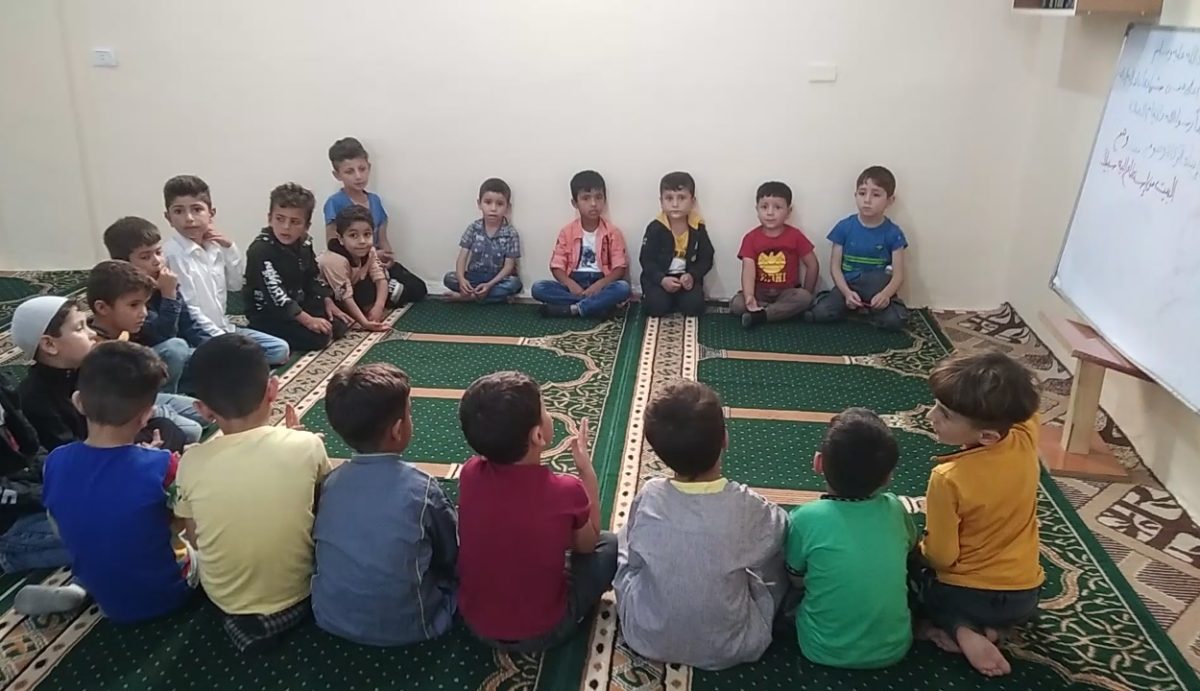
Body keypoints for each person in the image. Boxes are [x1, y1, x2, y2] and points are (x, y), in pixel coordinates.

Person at [13, 341, 199, 621]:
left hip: (109, 601)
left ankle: (81, 586)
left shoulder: (56, 461)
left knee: (103, 525)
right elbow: (188, 522)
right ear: (147, 415)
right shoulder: (162, 465)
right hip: (170, 593)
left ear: (78, 402)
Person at [173, 334, 332, 653]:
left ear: (202, 410)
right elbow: (325, 505)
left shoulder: (190, 462)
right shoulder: (306, 445)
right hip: (302, 593)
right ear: (273, 388)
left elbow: (193, 536)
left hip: (225, 601)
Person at [614, 380, 787, 670]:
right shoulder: (746, 506)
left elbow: (632, 558)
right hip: (731, 646)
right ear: (725, 439)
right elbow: (780, 529)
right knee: (781, 562)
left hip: (645, 635)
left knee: (622, 539)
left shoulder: (650, 495)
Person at [456, 371, 615, 652]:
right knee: (610, 545)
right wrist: (586, 472)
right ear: (538, 435)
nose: (550, 412)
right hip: (545, 631)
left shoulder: (469, 473)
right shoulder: (566, 490)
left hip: (475, 624)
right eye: (545, 408)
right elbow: (587, 545)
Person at [916, 352, 1044, 678]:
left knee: (910, 571)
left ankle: (962, 630)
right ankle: (994, 631)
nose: (930, 415)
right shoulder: (1025, 438)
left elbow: (942, 557)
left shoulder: (948, 478)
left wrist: (916, 548)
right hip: (1025, 595)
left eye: (944, 414)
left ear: (986, 436)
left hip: (964, 596)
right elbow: (1028, 410)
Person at [312, 363, 458, 646]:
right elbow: (451, 554)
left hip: (329, 617)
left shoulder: (330, 483)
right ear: (398, 429)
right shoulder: (423, 488)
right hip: (413, 625)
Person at [785, 408, 917, 669]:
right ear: (888, 476)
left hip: (820, 647)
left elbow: (796, 579)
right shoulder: (895, 509)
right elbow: (912, 548)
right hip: (894, 648)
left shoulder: (806, 518)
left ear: (818, 463)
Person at [12, 297, 188, 455]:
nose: (92, 334)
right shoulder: (35, 398)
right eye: (79, 328)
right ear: (49, 344)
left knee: (168, 429)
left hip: (119, 439)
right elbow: (69, 452)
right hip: (95, 459)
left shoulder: (89, 368)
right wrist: (136, 453)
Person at [161, 175, 291, 366]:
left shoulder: (215, 247)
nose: (189, 219)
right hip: (198, 335)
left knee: (279, 349)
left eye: (197, 210)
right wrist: (223, 339)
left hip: (224, 327)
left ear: (211, 213)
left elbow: (236, 285)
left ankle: (228, 361)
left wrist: (230, 248)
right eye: (179, 211)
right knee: (236, 360)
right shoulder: (173, 254)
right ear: (168, 218)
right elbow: (191, 310)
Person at [85, 260, 205, 444]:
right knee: (192, 430)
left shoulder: (125, 329)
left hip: (145, 396)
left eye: (145, 305)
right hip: (128, 408)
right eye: (134, 305)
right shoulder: (96, 350)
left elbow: (167, 337)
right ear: (102, 308)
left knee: (207, 412)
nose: (144, 313)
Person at [103, 216, 209, 392]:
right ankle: (165, 399)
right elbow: (162, 336)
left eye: (159, 252)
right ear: (124, 262)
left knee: (222, 356)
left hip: (177, 358)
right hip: (143, 366)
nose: (157, 261)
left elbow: (189, 326)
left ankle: (188, 387)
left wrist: (216, 348)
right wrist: (169, 296)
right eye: (145, 257)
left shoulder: (164, 281)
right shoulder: (128, 296)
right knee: (176, 348)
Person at [244, 182, 350, 352]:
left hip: (298, 301)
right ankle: (256, 333)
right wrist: (308, 320)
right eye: (280, 219)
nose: (286, 227)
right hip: (270, 311)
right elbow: (276, 295)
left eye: (295, 222)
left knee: (340, 322)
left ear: (306, 226)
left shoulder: (304, 243)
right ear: (269, 218)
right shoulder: (261, 250)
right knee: (318, 338)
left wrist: (326, 300)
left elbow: (312, 276)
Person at [322, 136, 427, 304]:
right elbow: (333, 245)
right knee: (386, 294)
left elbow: (383, 239)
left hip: (377, 263)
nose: (358, 176)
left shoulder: (375, 201)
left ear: (369, 167)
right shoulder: (334, 203)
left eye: (362, 169)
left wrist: (387, 257)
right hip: (355, 267)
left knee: (418, 289)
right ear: (337, 175)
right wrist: (368, 256)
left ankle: (384, 291)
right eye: (350, 171)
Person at [806, 166, 909, 331]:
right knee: (820, 313)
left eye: (876, 195)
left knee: (894, 322)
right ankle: (848, 306)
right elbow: (835, 267)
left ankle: (872, 310)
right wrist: (846, 292)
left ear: (890, 200)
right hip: (848, 286)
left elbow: (898, 275)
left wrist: (885, 295)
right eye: (862, 193)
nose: (867, 200)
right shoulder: (844, 227)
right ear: (855, 195)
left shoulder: (893, 233)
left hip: (877, 288)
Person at [532, 170, 632, 319]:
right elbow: (556, 266)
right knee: (538, 288)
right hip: (574, 281)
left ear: (604, 199)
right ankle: (595, 306)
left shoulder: (612, 232)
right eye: (586, 198)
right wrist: (570, 284)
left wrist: (600, 284)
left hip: (601, 281)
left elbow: (620, 268)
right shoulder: (567, 232)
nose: (593, 204)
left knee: (623, 288)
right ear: (575, 203)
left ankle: (573, 309)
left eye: (598, 197)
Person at [0, 375, 70, 573]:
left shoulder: (3, 388)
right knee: (105, 536)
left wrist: (59, 478)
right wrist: (45, 494)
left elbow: (31, 444)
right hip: (10, 522)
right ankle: (9, 557)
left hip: (33, 492)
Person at [730, 182, 819, 329]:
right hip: (760, 292)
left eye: (777, 207)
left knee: (803, 298)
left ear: (788, 211)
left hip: (786, 292)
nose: (770, 213)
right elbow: (748, 270)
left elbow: (812, 265)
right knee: (737, 304)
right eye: (764, 207)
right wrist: (749, 296)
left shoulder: (795, 236)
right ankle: (773, 312)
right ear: (757, 209)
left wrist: (807, 292)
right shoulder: (751, 238)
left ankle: (763, 315)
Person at [639, 172, 714, 317]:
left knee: (694, 307)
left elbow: (706, 257)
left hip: (686, 279)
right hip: (660, 279)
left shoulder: (697, 227)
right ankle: (663, 298)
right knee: (656, 307)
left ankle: (679, 299)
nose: (675, 204)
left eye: (681, 198)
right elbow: (646, 260)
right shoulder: (655, 228)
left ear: (692, 201)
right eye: (669, 198)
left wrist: (692, 275)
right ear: (661, 201)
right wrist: (661, 279)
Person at [318, 205, 402, 333]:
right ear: (340, 239)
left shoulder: (370, 251)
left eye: (367, 234)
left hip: (352, 286)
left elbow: (381, 279)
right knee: (339, 328)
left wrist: (379, 307)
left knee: (410, 290)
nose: (362, 241)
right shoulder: (334, 260)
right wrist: (365, 323)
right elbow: (345, 296)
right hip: (327, 295)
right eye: (353, 235)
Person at [443, 178, 523, 303]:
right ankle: (490, 297)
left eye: (500, 204)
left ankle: (469, 298)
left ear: (507, 207)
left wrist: (490, 284)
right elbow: (462, 258)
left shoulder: (511, 234)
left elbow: (508, 266)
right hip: (474, 276)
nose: (493, 208)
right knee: (449, 278)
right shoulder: (473, 228)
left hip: (496, 279)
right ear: (479, 204)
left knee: (514, 284)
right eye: (488, 202)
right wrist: (462, 279)